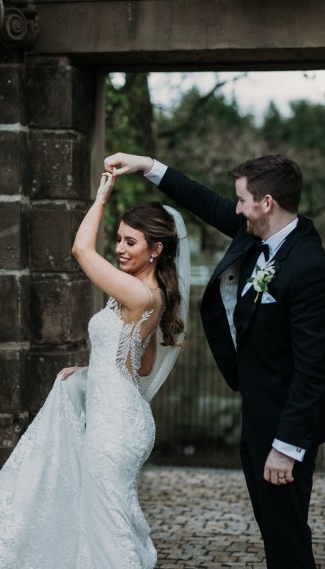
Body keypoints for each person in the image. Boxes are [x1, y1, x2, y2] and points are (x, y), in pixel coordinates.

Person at [0, 172, 190, 569]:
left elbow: (81, 250)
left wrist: (101, 196)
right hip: (121, 419)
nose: (119, 248)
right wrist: (94, 370)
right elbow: (140, 364)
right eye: (118, 238)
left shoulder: (136, 293)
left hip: (114, 430)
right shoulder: (149, 294)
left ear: (156, 250)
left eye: (129, 242)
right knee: (100, 522)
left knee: (108, 526)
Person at [104, 152, 325, 569]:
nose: (235, 208)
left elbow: (314, 366)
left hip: (283, 426)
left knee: (287, 534)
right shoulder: (257, 237)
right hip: (258, 411)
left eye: (242, 200)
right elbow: (203, 202)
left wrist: (287, 447)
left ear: (267, 203)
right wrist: (148, 165)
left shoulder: (309, 264)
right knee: (275, 529)